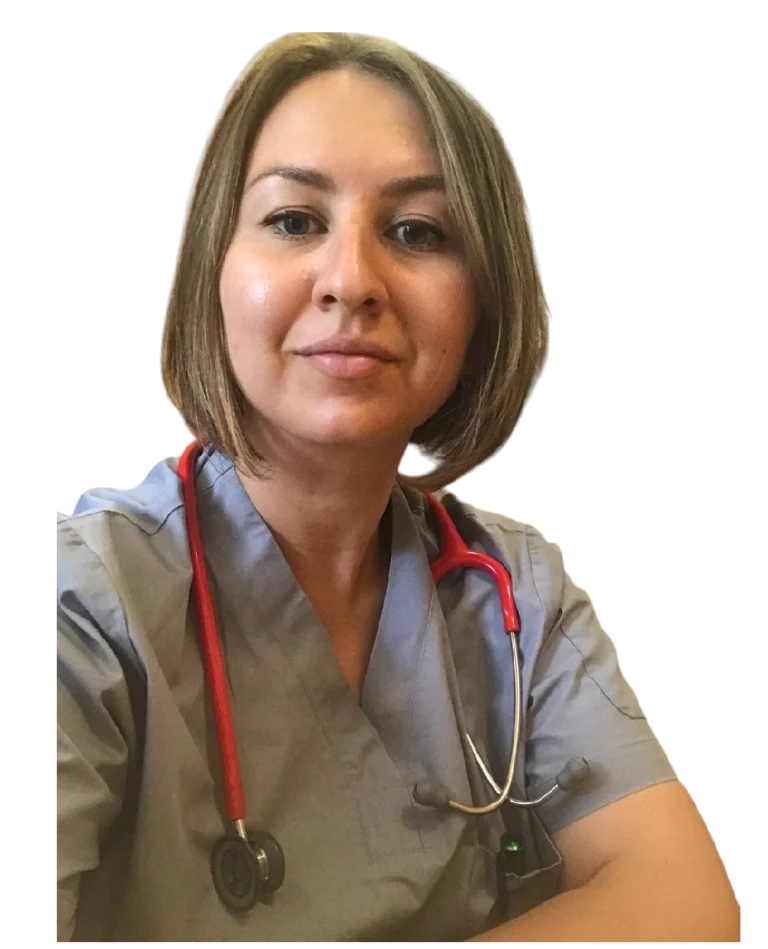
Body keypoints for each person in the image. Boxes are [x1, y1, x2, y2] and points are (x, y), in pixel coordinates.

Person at [56, 32, 742, 945]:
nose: (351, 281)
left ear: (484, 298)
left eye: (417, 231)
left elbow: (687, 903)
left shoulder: (517, 595)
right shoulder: (87, 600)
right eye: (294, 220)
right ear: (212, 267)